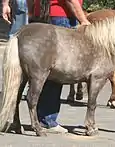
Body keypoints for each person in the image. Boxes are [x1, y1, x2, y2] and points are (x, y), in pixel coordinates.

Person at [33, 0, 91, 133]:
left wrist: (32, 13)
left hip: (43, 15)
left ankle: (40, 117)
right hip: (61, 17)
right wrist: (83, 20)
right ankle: (48, 120)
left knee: (42, 69)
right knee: (57, 69)